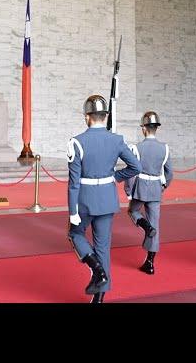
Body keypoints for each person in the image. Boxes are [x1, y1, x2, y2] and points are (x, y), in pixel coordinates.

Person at [67, 95, 142, 303]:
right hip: (108, 198)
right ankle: (99, 298)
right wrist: (114, 177)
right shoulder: (117, 140)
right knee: (103, 247)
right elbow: (137, 167)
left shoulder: (77, 142)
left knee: (75, 233)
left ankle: (95, 268)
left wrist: (72, 211)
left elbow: (73, 182)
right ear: (106, 116)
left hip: (84, 200)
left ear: (86, 117)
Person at [124, 111, 173, 275]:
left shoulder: (137, 148)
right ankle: (150, 263)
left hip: (140, 187)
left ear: (144, 128)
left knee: (133, 211)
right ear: (156, 128)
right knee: (155, 225)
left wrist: (128, 191)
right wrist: (163, 185)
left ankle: (144, 226)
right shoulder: (164, 148)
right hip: (156, 189)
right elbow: (169, 173)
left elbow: (131, 172)